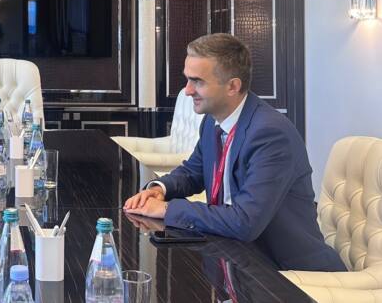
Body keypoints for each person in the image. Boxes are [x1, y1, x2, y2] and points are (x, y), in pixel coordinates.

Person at [124, 33, 345, 272]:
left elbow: (245, 221)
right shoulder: (212, 121)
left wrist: (167, 209)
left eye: (197, 81)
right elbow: (193, 172)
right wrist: (159, 189)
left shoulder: (271, 134)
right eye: (187, 79)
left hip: (285, 272)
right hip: (234, 259)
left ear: (232, 86)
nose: (187, 91)